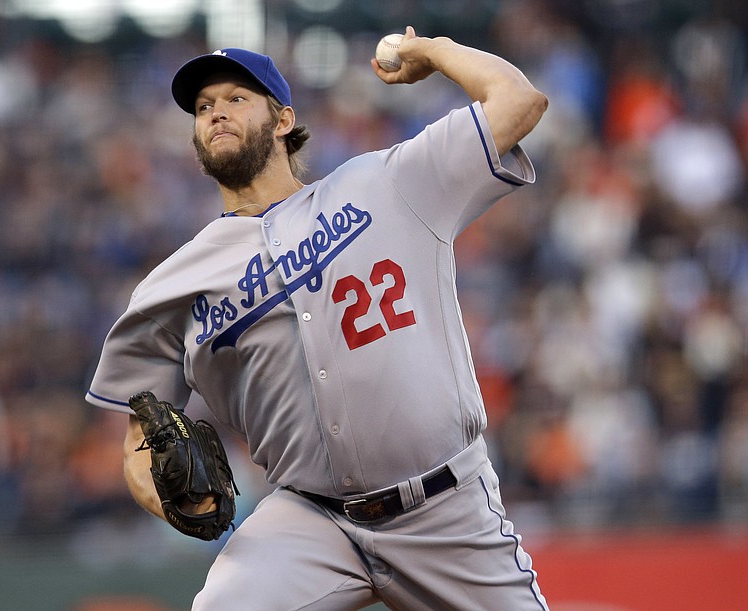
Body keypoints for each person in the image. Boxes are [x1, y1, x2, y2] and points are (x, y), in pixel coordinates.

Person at [86, 25, 549, 610]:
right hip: (309, 520)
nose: (216, 113)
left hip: (444, 506)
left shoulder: (386, 183)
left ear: (283, 121)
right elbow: (136, 437)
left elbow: (520, 101)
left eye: (235, 98)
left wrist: (432, 52)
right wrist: (167, 498)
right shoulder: (173, 284)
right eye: (203, 108)